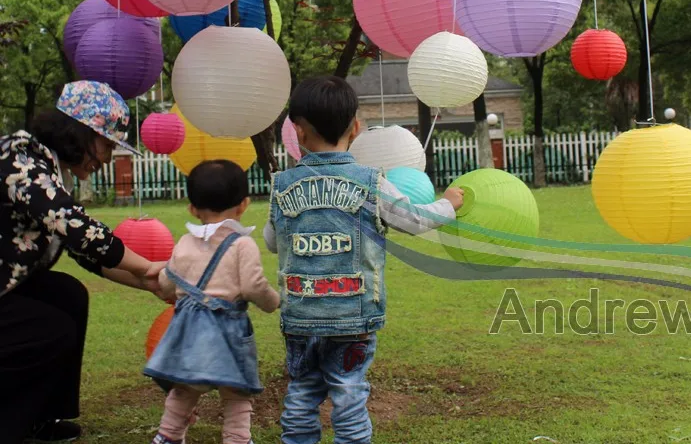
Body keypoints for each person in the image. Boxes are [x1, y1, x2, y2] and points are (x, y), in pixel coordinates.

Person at [264, 76, 464, 444]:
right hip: (352, 315)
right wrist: (448, 204)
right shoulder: (371, 182)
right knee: (349, 394)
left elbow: (272, 242)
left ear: (298, 133)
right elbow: (415, 221)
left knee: (302, 391)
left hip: (301, 316)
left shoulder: (282, 185)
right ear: (355, 128)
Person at [0, 80, 167, 444]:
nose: (107, 158)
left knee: (69, 295)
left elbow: (85, 254)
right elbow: (79, 230)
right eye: (107, 145)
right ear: (80, 132)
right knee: (49, 329)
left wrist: (149, 283)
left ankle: (42, 420)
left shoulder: (50, 171)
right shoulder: (20, 158)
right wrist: (148, 266)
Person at [145, 159, 281, 444]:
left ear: (192, 208)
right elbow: (253, 285)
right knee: (237, 394)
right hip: (228, 333)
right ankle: (236, 439)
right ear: (244, 204)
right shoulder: (242, 245)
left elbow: (168, 281)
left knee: (183, 389)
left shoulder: (184, 242)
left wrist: (173, 290)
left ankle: (168, 436)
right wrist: (273, 302)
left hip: (188, 332)